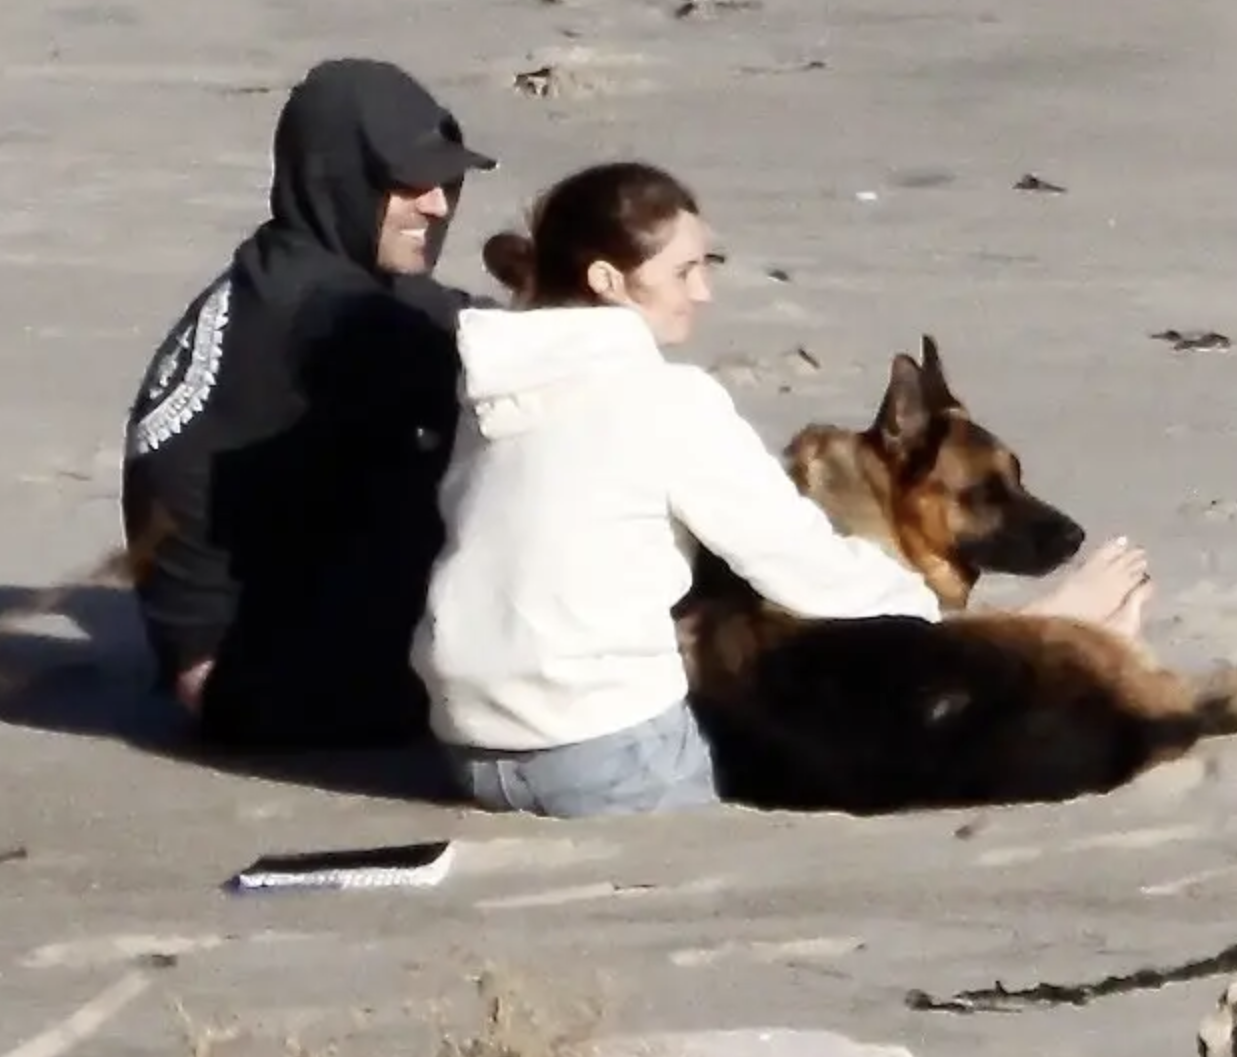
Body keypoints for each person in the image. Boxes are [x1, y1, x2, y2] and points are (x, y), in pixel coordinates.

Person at [409, 160, 1152, 819]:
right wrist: (976, 622)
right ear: (608, 281)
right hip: (602, 760)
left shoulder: (492, 389)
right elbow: (805, 572)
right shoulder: (667, 400)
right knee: (859, 750)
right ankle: (1054, 645)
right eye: (682, 272)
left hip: (467, 750)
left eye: (708, 265)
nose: (703, 291)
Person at [120, 57, 499, 749]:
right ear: (340, 178)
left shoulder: (293, 267)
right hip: (253, 681)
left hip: (235, 633)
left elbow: (457, 320)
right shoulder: (321, 315)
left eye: (446, 179)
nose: (439, 203)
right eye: (409, 181)